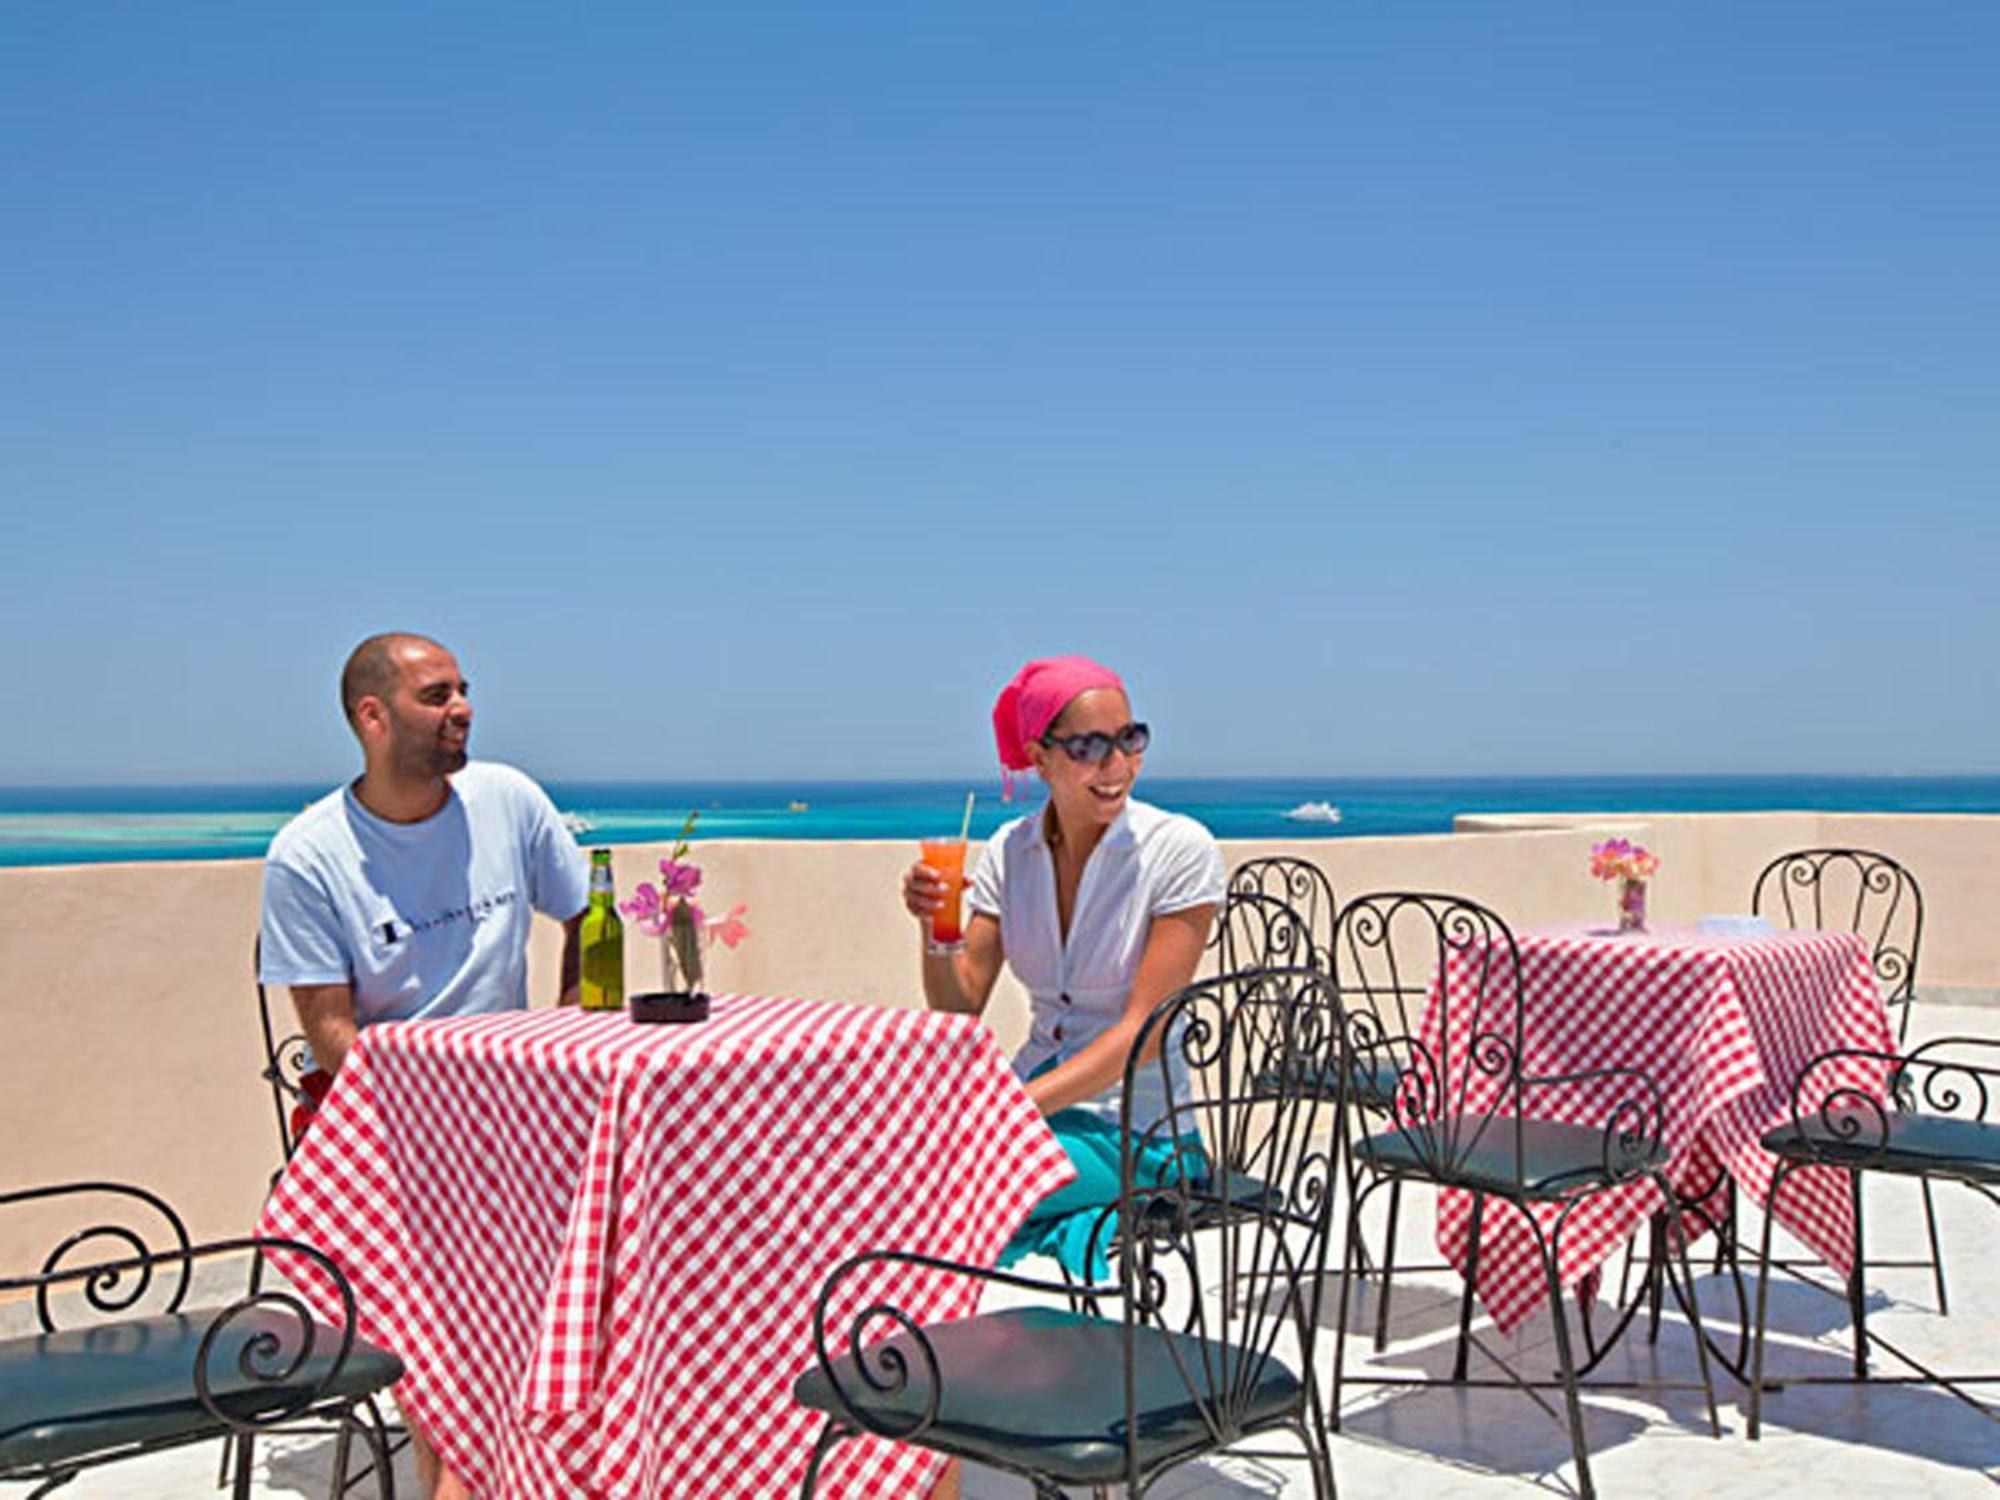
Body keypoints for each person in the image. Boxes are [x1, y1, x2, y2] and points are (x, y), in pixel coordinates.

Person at [259, 631, 589, 1500]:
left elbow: (586, 920)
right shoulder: (310, 855)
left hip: (532, 1108)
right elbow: (329, 1031)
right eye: (436, 696)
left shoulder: (509, 800)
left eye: (462, 690)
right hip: (398, 1128)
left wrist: (565, 1039)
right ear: (373, 717)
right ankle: (469, 1470)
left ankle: (573, 1454)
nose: (463, 709)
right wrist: (444, 1113)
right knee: (457, 1292)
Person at [901, 655, 1223, 1500]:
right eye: (1086, 746)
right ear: (1038, 759)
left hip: (1141, 1128)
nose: (1113, 763)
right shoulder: (1009, 853)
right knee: (889, 1184)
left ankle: (957, 1440)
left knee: (948, 1201)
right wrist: (933, 930)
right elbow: (958, 1006)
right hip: (1038, 1109)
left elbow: (1139, 1041)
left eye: (1128, 739)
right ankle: (944, 1427)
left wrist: (1006, 1111)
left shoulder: (1178, 851)